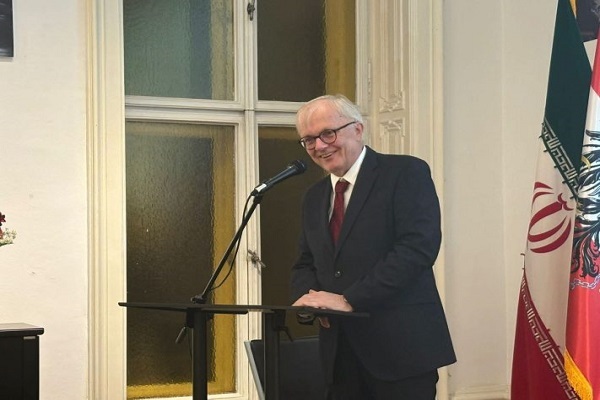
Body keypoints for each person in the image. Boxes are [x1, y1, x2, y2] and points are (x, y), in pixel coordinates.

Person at [290, 94, 456, 400]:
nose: (320, 146)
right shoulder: (313, 196)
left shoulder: (405, 173)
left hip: (400, 350)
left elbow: (417, 249)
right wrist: (312, 301)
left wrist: (348, 299)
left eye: (328, 133)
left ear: (358, 129)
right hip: (339, 357)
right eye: (309, 140)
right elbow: (305, 262)